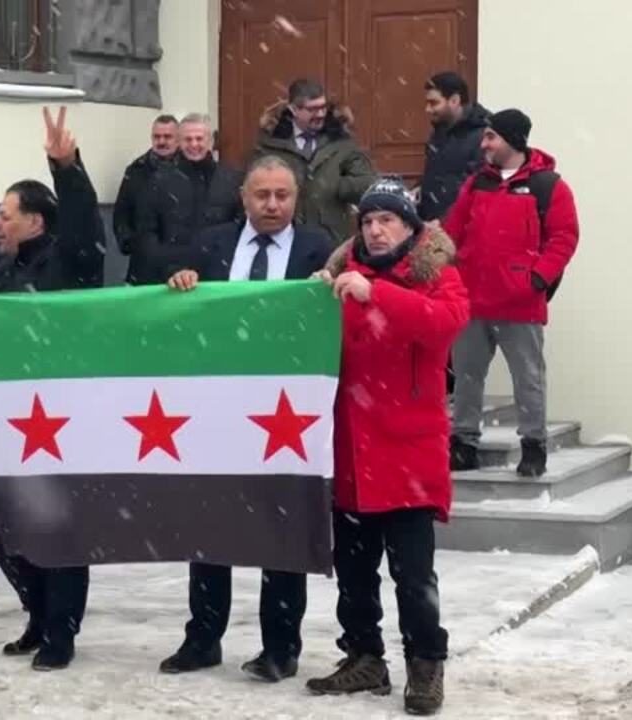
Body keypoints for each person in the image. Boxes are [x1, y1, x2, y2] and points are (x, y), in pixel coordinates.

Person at [0, 106, 106, 670]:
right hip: (12, 426)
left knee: (60, 530)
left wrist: (67, 167)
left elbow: (83, 223)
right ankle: (36, 615)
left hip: (65, 421)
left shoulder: (72, 262)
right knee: (1, 524)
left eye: (7, 214)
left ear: (36, 221)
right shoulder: (1, 272)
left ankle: (61, 632)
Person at [162, 154, 331, 682]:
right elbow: (181, 317)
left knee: (281, 528)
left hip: (282, 411)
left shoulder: (316, 249)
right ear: (244, 198)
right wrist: (181, 284)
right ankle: (203, 638)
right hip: (217, 407)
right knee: (208, 524)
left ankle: (280, 648)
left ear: (296, 199)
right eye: (263, 195)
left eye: (283, 196)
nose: (273, 205)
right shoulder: (211, 245)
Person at [305, 178, 468, 716]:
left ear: (410, 226)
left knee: (413, 575)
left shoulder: (436, 276)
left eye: (387, 220)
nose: (375, 230)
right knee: (353, 572)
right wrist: (304, 300)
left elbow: (444, 325)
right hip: (349, 451)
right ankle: (364, 656)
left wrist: (378, 293)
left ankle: (426, 662)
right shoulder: (336, 278)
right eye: (368, 221)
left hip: (408, 455)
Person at [443, 109, 579, 477]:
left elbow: (564, 238)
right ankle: (463, 444)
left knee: (528, 379)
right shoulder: (476, 184)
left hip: (521, 305)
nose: (484, 144)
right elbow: (451, 233)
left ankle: (533, 448)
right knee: (467, 377)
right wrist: (444, 273)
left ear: (512, 140)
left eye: (491, 137)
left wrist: (536, 280)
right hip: (472, 301)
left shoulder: (548, 186)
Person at [250, 79, 376, 247]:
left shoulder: (341, 141)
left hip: (332, 240)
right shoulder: (270, 144)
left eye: (323, 107)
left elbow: (366, 184)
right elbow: (253, 186)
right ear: (293, 109)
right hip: (284, 242)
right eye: (312, 109)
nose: (321, 114)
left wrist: (333, 185)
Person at [128, 113, 244, 284]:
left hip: (217, 275)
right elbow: (147, 232)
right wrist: (170, 270)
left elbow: (239, 227)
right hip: (169, 278)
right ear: (179, 143)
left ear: (210, 141)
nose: (194, 144)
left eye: (199, 139)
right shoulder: (159, 180)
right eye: (188, 139)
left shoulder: (231, 179)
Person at [419, 71, 490, 222]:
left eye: (434, 103)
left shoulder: (484, 136)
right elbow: (433, 175)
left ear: (454, 100)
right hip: (433, 228)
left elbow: (477, 188)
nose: (428, 109)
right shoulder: (438, 133)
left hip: (461, 228)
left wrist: (445, 221)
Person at [112, 114, 178, 263]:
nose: (161, 141)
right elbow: (121, 213)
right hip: (143, 261)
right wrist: (130, 242)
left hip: (180, 260)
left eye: (167, 137)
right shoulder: (136, 170)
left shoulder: (189, 169)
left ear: (178, 139)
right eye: (157, 137)